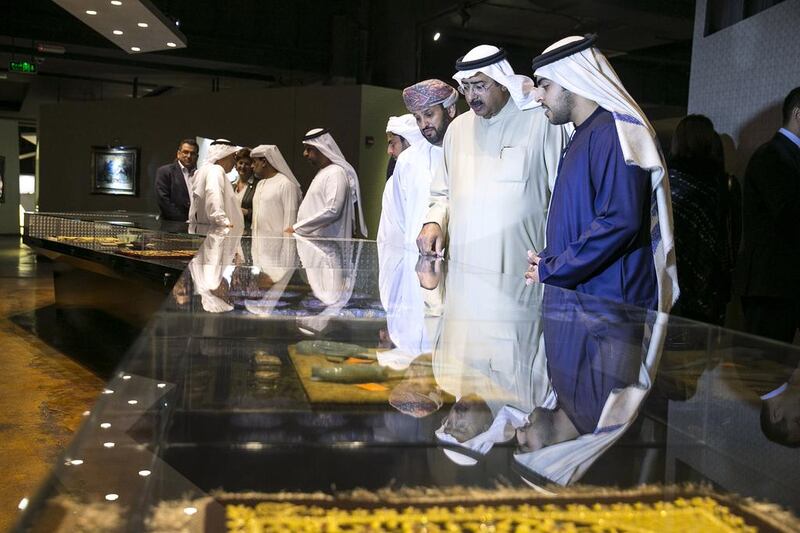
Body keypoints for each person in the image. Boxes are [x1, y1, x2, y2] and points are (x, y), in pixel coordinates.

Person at [525, 34, 678, 312]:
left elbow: (619, 221)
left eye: (545, 86)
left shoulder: (612, 133)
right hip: (581, 296)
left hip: (608, 305)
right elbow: (579, 217)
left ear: (572, 82)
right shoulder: (583, 135)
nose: (537, 96)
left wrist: (557, 267)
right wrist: (547, 260)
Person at [416, 45, 568, 273]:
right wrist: (433, 222)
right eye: (466, 87)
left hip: (519, 272)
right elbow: (442, 194)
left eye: (479, 86)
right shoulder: (458, 129)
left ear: (502, 83)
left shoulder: (540, 121)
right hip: (462, 272)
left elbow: (562, 196)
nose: (470, 96)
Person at [736, 86, 800, 344]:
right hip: (771, 287)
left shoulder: (785, 155)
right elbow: (787, 214)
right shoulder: (772, 156)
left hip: (783, 285)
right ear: (798, 114)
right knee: (765, 371)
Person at [378, 81, 459, 249]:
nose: (423, 124)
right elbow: (399, 222)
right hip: (415, 262)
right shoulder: (408, 160)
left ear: (450, 110)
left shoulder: (470, 153)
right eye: (418, 118)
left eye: (429, 114)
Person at [667, 115, 730, 325]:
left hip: (666, 278)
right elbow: (718, 242)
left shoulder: (667, 181)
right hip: (706, 287)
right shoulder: (716, 186)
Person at [287, 128, 367, 238]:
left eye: (308, 149)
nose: (305, 154)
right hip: (317, 246)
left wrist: (297, 228)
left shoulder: (336, 172)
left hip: (329, 250)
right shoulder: (324, 172)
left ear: (322, 149)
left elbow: (333, 209)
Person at [377, 113, 427, 244]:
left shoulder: (433, 174)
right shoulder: (393, 181)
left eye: (392, 144)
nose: (389, 151)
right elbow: (389, 235)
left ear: (410, 141)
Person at [188, 139, 244, 228]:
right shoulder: (216, 170)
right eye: (233, 157)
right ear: (222, 155)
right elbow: (213, 195)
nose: (235, 162)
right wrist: (223, 221)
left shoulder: (203, 170)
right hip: (219, 231)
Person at [250, 144, 302, 235]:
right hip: (257, 246)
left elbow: (290, 222)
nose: (251, 166)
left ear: (264, 162)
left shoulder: (286, 184)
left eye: (254, 162)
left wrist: (288, 249)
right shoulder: (260, 184)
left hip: (277, 247)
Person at [155, 138, 198, 221]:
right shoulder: (165, 171)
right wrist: (183, 221)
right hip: (172, 226)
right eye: (185, 152)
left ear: (197, 156)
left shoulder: (199, 174)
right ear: (178, 154)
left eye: (192, 153)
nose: (189, 156)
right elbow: (163, 200)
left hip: (195, 226)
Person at [231, 148, 258, 227]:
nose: (243, 166)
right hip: (231, 229)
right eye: (240, 163)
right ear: (236, 165)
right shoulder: (231, 185)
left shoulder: (258, 185)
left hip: (248, 230)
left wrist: (247, 212)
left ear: (252, 166)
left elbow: (265, 213)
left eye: (247, 164)